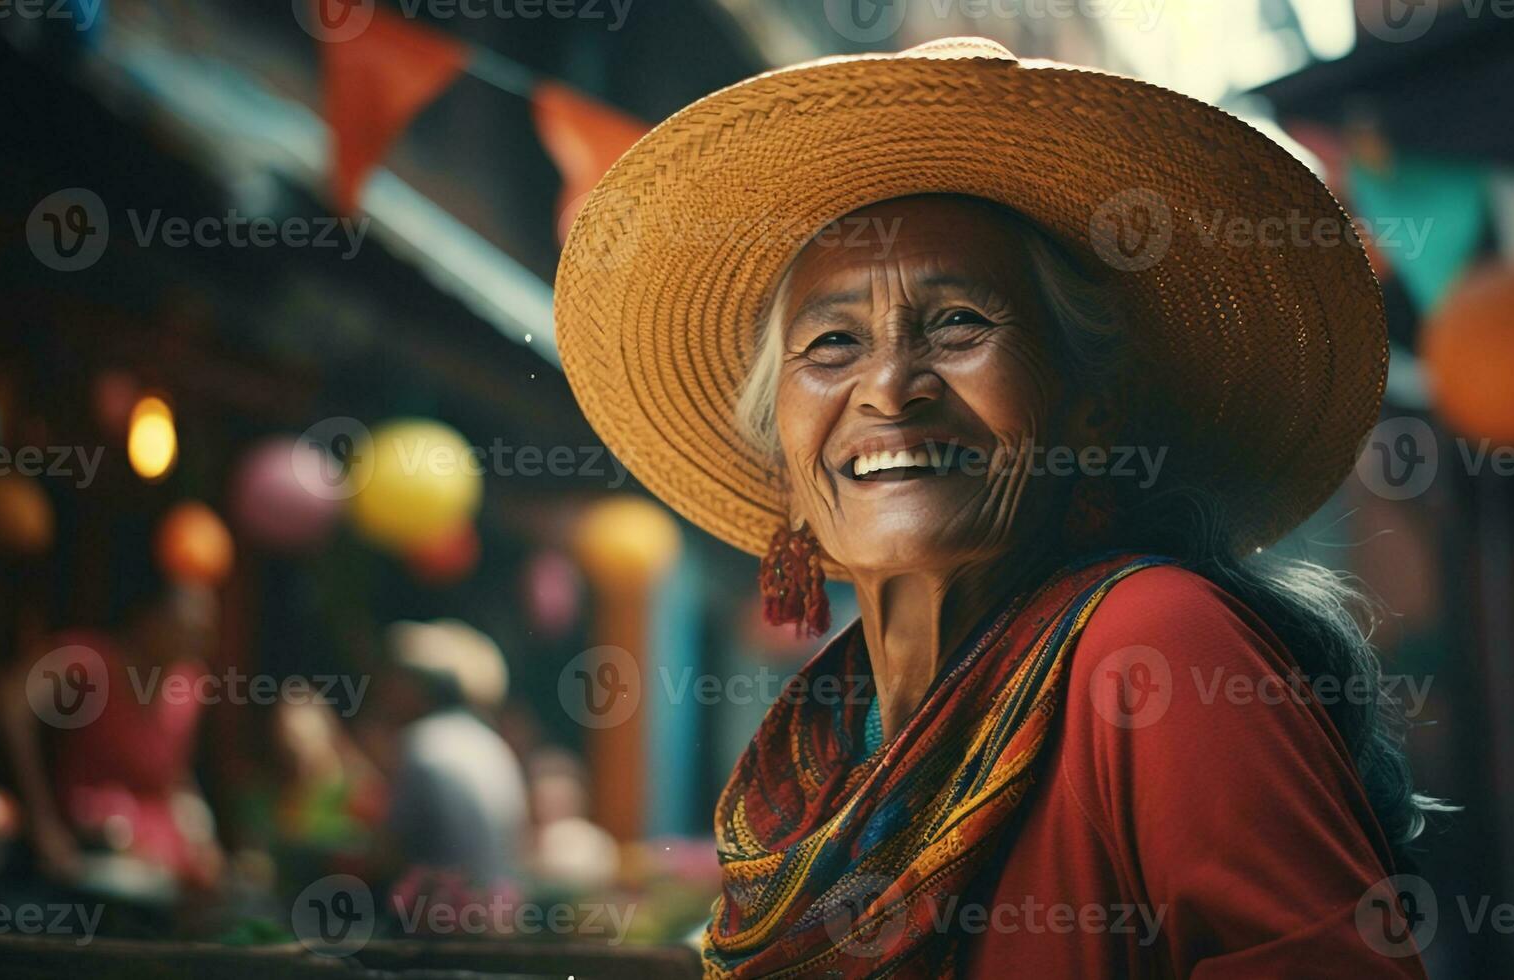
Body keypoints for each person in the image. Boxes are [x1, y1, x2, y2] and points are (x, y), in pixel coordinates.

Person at [552, 38, 1443, 977]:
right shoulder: (815, 748)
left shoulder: (1154, 648)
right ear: (783, 459)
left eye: (959, 324)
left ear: (1088, 418)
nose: (890, 389)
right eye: (831, 344)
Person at [0, 584, 224, 894]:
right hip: (92, 836)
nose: (201, 640)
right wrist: (41, 822)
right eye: (190, 627)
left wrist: (201, 836)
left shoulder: (189, 686)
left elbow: (173, 777)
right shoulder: (88, 661)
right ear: (148, 619)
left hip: (159, 851)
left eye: (207, 630)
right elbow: (12, 706)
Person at [377, 619, 527, 884]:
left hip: (442, 914)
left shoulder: (423, 742)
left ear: (420, 687)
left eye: (399, 678)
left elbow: (392, 851)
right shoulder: (491, 744)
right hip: (492, 911)